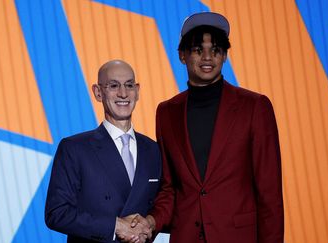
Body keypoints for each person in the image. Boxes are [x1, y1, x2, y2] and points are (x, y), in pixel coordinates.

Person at [133, 12, 284, 243]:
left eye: (215, 50)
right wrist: (151, 222)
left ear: (224, 56)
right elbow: (169, 187)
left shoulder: (254, 106)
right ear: (182, 55)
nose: (207, 57)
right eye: (197, 50)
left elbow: (269, 193)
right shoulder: (166, 112)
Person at [45, 60, 161, 243]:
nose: (123, 93)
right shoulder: (74, 148)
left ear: (137, 91)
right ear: (98, 92)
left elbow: (165, 204)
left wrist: (149, 223)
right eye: (113, 85)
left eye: (129, 85)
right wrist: (114, 226)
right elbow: (57, 213)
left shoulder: (153, 149)